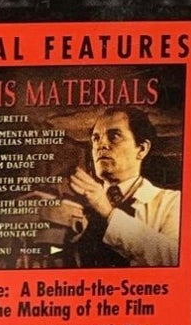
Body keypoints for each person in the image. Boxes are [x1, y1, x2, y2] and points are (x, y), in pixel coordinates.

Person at [66, 106, 182, 267]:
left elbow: (174, 258)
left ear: (142, 149)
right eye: (96, 138)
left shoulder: (172, 202)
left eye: (114, 136)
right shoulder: (81, 205)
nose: (101, 145)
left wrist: (108, 213)